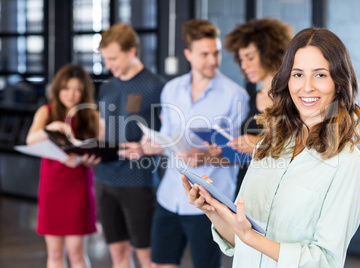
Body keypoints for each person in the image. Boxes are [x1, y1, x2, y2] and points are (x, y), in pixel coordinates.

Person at [182, 27, 360, 267]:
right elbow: (239, 241)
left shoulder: (346, 164)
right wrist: (212, 210)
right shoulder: (269, 144)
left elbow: (325, 260)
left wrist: (251, 237)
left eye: (321, 75)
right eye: (298, 74)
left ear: (340, 83)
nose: (307, 86)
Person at [141, 19, 249, 268]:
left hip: (209, 203)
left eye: (216, 53)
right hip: (169, 197)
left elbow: (238, 154)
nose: (212, 60)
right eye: (204, 54)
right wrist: (154, 146)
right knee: (160, 263)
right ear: (188, 54)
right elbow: (168, 137)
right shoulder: (171, 90)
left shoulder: (235, 96)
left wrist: (205, 156)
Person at [83, 23, 165, 268]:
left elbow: (169, 136)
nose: (109, 65)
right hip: (105, 178)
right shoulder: (107, 86)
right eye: (105, 59)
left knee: (147, 257)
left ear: (132, 51)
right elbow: (101, 129)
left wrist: (145, 147)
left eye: (113, 58)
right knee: (118, 254)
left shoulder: (156, 87)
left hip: (138, 182)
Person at [26, 64, 99, 268]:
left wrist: (84, 160)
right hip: (51, 187)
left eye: (77, 89)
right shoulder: (46, 112)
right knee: (55, 253)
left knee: (77, 253)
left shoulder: (91, 116)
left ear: (84, 91)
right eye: (66, 88)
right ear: (57, 89)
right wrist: (51, 128)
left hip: (78, 187)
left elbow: (100, 149)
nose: (71, 94)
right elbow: (30, 140)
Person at [223, 18, 293, 195]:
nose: (244, 66)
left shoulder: (294, 100)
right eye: (241, 59)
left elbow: (301, 152)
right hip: (248, 186)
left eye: (250, 57)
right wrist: (228, 149)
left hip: (279, 190)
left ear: (269, 53)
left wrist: (259, 145)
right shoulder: (251, 99)